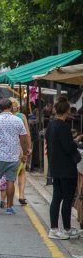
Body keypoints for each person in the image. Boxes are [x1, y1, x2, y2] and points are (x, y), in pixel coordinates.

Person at [46, 96, 82, 239]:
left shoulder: (51, 125)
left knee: (56, 198)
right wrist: (76, 141)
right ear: (67, 111)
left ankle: (54, 229)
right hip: (66, 168)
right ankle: (66, 228)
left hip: (55, 166)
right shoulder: (64, 127)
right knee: (67, 199)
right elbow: (68, 147)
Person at [0, 98, 30, 215]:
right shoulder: (18, 120)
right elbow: (23, 139)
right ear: (11, 107)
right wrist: (25, 153)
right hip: (13, 156)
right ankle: (9, 207)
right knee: (10, 181)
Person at [9, 97, 31, 205]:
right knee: (21, 171)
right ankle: (21, 195)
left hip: (8, 147)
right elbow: (27, 134)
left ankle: (8, 198)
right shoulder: (22, 116)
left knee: (9, 172)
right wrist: (28, 148)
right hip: (21, 147)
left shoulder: (4, 117)